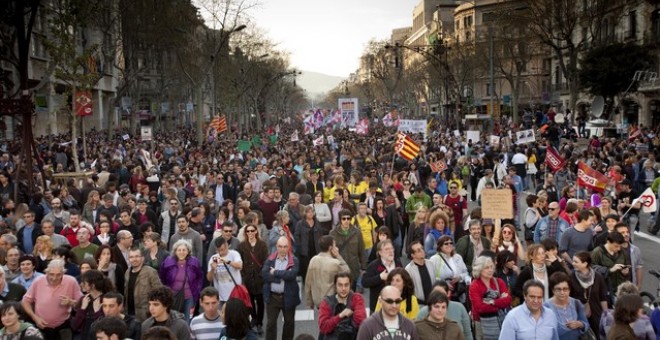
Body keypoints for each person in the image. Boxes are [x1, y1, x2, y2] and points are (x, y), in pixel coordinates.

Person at [21, 259, 82, 340]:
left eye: (58, 275)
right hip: (41, 327)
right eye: (51, 274)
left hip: (63, 327)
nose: (54, 278)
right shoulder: (38, 281)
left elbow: (81, 303)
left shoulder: (71, 281)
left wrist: (71, 302)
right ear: (46, 272)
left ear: (63, 273)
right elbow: (25, 301)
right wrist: (35, 318)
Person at [262, 237, 300, 340]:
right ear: (276, 247)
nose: (282, 249)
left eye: (285, 247)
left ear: (288, 247)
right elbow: (264, 274)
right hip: (273, 297)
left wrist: (275, 272)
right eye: (280, 246)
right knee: (270, 324)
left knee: (289, 324)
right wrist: (281, 278)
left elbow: (291, 275)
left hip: (288, 297)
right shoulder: (270, 259)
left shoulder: (294, 260)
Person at [158, 239, 204, 323]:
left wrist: (197, 289)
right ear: (175, 251)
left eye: (184, 250)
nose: (181, 252)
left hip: (189, 296)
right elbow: (162, 276)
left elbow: (200, 277)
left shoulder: (194, 261)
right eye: (179, 250)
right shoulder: (168, 261)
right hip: (172, 296)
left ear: (188, 251)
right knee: (171, 319)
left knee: (187, 320)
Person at [469, 255, 512, 340]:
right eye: (486, 268)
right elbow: (480, 307)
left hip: (500, 320)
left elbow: (508, 300)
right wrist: (500, 301)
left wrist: (493, 302)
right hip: (481, 323)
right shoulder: (474, 285)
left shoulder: (499, 282)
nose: (490, 270)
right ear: (479, 269)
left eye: (492, 267)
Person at [569, 251, 609, 338]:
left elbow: (603, 297)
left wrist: (606, 314)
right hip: (578, 313)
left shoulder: (598, 277)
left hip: (596, 313)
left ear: (585, 263)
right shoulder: (571, 277)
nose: (573, 263)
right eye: (573, 261)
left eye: (576, 262)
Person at [237, 224, 268, 334]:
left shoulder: (262, 245)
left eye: (252, 231)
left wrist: (262, 273)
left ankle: (259, 322)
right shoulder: (242, 246)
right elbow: (239, 260)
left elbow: (266, 260)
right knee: (249, 301)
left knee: (260, 301)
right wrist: (243, 274)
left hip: (259, 278)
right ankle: (254, 318)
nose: (250, 233)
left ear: (256, 231)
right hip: (248, 278)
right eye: (248, 231)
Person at [304, 235, 350, 309]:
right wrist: (338, 256)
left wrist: (309, 301)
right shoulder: (335, 263)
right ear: (330, 248)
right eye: (334, 246)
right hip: (331, 301)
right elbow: (347, 271)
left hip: (318, 300)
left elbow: (308, 282)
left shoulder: (313, 260)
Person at [318, 272, 366, 340]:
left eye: (346, 285)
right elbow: (323, 327)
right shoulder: (327, 302)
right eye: (340, 285)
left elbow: (361, 322)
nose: (343, 288)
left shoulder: (356, 298)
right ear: (335, 286)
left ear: (350, 285)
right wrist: (341, 315)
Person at [544, 271, 591, 340]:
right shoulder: (546, 307)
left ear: (569, 289)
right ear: (553, 290)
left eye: (565, 289)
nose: (562, 292)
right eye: (558, 289)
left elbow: (586, 324)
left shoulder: (576, 303)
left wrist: (580, 324)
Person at [71, 270, 114, 339]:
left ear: (92, 285)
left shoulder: (106, 300)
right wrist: (82, 309)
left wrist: (97, 312)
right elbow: (75, 325)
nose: (81, 284)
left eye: (84, 283)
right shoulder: (84, 299)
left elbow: (105, 327)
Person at [329, 209, 366, 291]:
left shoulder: (357, 232)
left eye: (348, 218)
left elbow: (362, 250)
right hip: (339, 267)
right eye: (344, 218)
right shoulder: (333, 233)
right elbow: (330, 252)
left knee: (352, 294)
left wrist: (363, 267)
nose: (346, 221)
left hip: (353, 267)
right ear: (340, 220)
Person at [362, 239, 402, 313]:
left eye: (391, 248)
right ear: (380, 252)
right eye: (387, 249)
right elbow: (365, 282)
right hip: (378, 307)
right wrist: (379, 277)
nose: (390, 251)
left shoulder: (398, 264)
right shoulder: (373, 266)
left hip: (396, 305)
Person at [124, 247, 162, 323]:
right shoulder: (127, 272)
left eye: (137, 256)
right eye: (131, 257)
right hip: (129, 313)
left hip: (145, 315)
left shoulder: (150, 272)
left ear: (142, 258)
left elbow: (159, 292)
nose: (134, 259)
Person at [429, 235, 469, 302]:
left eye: (451, 243)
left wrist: (460, 277)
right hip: (442, 293)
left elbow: (466, 273)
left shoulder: (458, 257)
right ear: (440, 246)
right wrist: (443, 283)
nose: (449, 245)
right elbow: (431, 277)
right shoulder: (434, 259)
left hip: (458, 293)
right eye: (446, 243)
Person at [207, 236, 243, 307]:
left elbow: (240, 265)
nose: (220, 252)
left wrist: (227, 261)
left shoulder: (234, 254)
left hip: (234, 294)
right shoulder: (214, 258)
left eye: (222, 249)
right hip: (221, 296)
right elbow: (209, 278)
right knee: (223, 317)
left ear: (226, 245)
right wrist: (212, 269)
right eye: (218, 250)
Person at [404, 240, 437, 305]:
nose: (422, 251)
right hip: (419, 304)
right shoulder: (408, 269)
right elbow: (408, 290)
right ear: (413, 255)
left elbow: (435, 280)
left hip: (433, 302)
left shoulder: (430, 263)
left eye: (422, 248)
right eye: (419, 250)